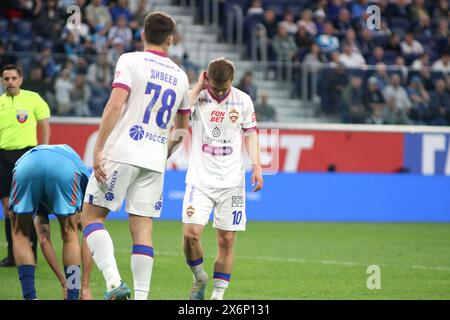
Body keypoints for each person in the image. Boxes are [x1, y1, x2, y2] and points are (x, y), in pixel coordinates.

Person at [80, 12, 191, 300]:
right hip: (154, 159)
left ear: (142, 35)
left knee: (91, 216)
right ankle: (141, 297)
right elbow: (182, 128)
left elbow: (115, 105)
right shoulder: (180, 76)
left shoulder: (130, 60)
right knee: (142, 228)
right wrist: (164, 152)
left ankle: (115, 283)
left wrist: (99, 147)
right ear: (170, 40)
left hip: (122, 151)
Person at [171, 58, 264, 300]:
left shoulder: (243, 100)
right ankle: (199, 276)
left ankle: (217, 297)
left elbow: (251, 133)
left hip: (232, 183)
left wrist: (257, 166)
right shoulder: (198, 95)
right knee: (191, 235)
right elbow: (179, 112)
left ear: (232, 81)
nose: (219, 91)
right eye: (215, 86)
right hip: (200, 180)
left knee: (226, 240)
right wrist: (198, 87)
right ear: (207, 78)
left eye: (224, 88)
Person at [9, 144, 89, 300]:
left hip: (27, 165)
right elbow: (89, 234)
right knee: (70, 234)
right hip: (64, 167)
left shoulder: (38, 201)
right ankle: (73, 295)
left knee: (20, 233)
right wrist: (84, 286)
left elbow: (44, 241)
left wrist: (62, 281)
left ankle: (30, 297)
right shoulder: (82, 174)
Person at [0, 64, 51, 267]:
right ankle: (13, 255)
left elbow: (45, 126)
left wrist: (43, 151)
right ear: (2, 81)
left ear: (20, 79)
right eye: (6, 79)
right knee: (8, 209)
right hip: (2, 156)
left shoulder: (33, 99)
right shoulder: (0, 102)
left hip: (27, 156)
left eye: (14, 78)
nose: (10, 82)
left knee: (27, 206)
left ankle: (30, 252)